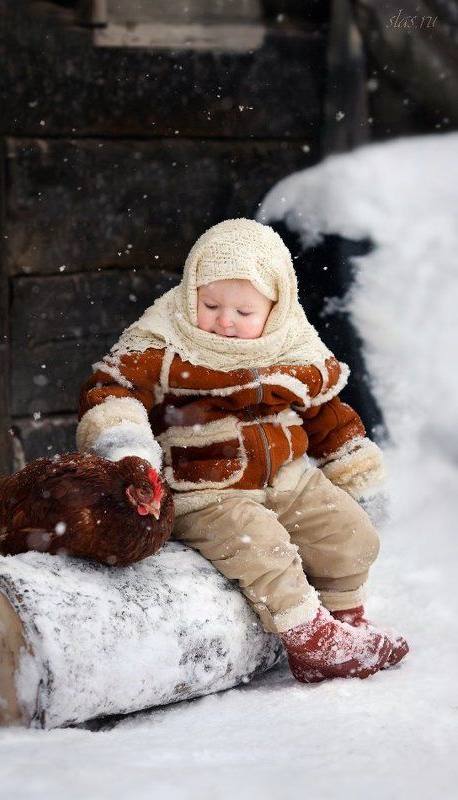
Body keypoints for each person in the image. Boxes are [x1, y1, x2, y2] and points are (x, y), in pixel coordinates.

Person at [77, 218, 409, 683]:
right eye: (210, 304)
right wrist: (126, 442)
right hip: (207, 489)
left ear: (275, 310)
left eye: (244, 312)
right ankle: (311, 640)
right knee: (261, 545)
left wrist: (356, 470)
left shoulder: (291, 346)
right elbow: (112, 390)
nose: (225, 321)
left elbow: (328, 419)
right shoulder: (166, 345)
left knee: (349, 532)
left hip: (289, 478)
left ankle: (346, 621)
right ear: (191, 290)